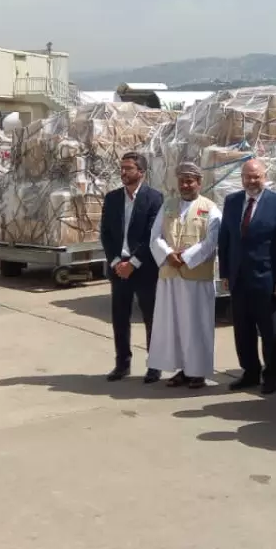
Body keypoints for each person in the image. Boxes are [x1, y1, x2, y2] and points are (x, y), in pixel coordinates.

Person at [218, 158, 276, 394]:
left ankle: (271, 375)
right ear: (242, 178)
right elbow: (225, 239)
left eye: (256, 177)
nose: (252, 181)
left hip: (267, 280)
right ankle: (250, 372)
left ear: (265, 177)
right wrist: (225, 273)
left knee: (269, 331)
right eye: (248, 177)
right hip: (238, 279)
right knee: (243, 330)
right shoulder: (232, 202)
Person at [146, 163, 222, 389]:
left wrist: (187, 257)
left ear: (199, 182)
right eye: (182, 181)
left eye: (190, 181)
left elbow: (211, 241)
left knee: (196, 325)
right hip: (170, 274)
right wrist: (168, 254)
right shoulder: (168, 205)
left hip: (196, 276)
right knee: (175, 325)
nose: (185, 185)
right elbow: (155, 236)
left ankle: (197, 372)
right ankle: (183, 369)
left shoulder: (210, 208)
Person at [100, 151, 164, 383]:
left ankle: (154, 365)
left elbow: (152, 235)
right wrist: (116, 262)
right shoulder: (112, 198)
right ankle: (122, 364)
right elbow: (106, 234)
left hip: (144, 268)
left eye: (128, 168)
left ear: (141, 172)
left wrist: (134, 263)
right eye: (122, 168)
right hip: (118, 267)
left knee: (150, 318)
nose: (123, 172)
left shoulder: (154, 198)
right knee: (120, 318)